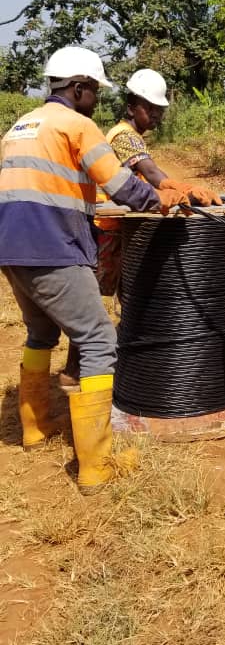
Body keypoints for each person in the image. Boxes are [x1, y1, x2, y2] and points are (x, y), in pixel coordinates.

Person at [0, 46, 188, 493]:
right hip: (52, 246)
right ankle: (97, 464)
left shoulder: (21, 124)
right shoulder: (76, 125)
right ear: (79, 87)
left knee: (41, 332)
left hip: (10, 247)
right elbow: (120, 183)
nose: (97, 102)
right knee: (100, 340)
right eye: (93, 92)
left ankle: (35, 427)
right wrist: (156, 199)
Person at [60, 67, 222, 387]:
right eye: (151, 109)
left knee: (128, 297)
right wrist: (181, 187)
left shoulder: (131, 135)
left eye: (159, 110)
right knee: (93, 303)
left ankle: (123, 362)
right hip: (107, 228)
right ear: (133, 106)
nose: (157, 116)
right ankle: (74, 372)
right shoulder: (124, 135)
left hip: (121, 228)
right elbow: (151, 172)